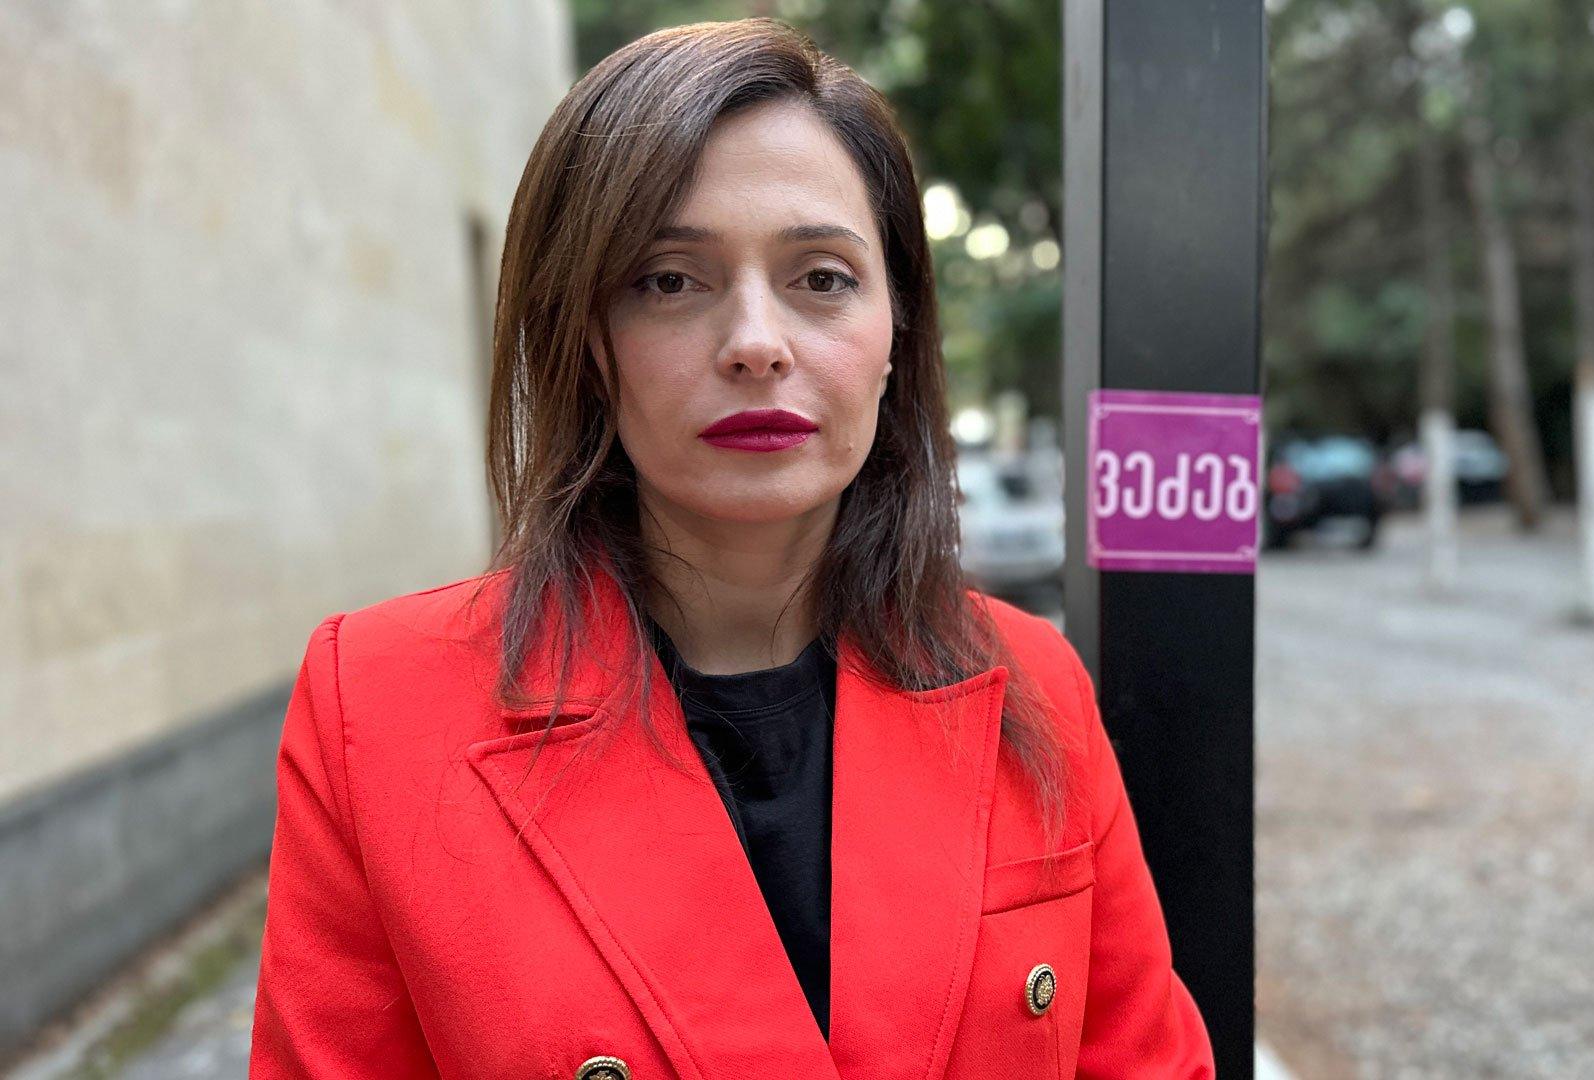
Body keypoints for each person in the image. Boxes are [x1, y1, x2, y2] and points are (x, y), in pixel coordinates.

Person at [248, 18, 1213, 1080]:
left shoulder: (1030, 683)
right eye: (669, 279)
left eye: (822, 277)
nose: (757, 341)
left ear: (896, 335)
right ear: (583, 341)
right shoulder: (377, 710)